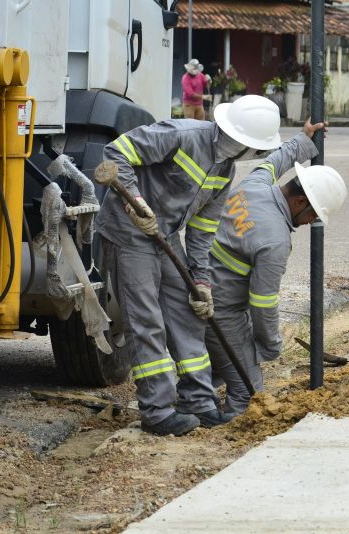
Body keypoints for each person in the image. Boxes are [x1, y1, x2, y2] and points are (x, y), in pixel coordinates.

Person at [95, 95, 283, 436]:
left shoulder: (224, 171)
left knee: (187, 311)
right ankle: (156, 410)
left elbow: (202, 232)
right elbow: (116, 153)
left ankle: (198, 400)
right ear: (244, 143)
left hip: (164, 236)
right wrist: (136, 203)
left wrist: (201, 282)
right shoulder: (181, 135)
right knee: (147, 319)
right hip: (128, 233)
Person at [203, 125, 347, 416]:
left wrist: (304, 140)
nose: (310, 223)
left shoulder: (253, 185)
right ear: (300, 201)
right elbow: (263, 302)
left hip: (199, 292)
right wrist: (271, 345)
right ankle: (219, 431)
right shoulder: (275, 241)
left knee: (221, 366)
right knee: (249, 393)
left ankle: (190, 398)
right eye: (313, 215)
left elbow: (274, 161)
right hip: (223, 313)